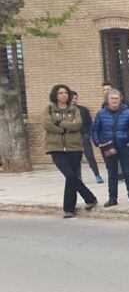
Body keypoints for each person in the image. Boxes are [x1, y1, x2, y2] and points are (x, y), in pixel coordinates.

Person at [43, 84, 98, 218]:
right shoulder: (49, 109)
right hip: (56, 148)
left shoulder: (74, 110)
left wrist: (59, 123)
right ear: (55, 95)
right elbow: (47, 125)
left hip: (74, 147)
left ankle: (69, 209)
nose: (64, 95)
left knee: (71, 177)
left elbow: (77, 125)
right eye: (61, 93)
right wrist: (66, 128)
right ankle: (89, 197)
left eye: (66, 93)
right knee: (70, 175)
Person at [92, 89, 129, 207]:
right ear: (108, 100)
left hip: (125, 146)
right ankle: (112, 198)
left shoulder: (128, 113)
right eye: (112, 98)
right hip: (108, 147)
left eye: (116, 98)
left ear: (120, 100)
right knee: (112, 173)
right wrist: (98, 143)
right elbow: (95, 130)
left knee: (128, 172)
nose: (114, 101)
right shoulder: (101, 114)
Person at [71, 92, 102, 184]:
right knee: (76, 159)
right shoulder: (66, 111)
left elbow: (89, 123)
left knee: (90, 156)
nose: (74, 100)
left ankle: (97, 175)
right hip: (73, 139)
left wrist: (88, 134)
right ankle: (78, 177)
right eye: (72, 98)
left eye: (75, 98)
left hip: (84, 136)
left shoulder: (83, 110)